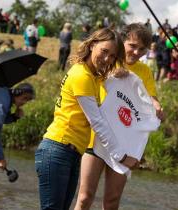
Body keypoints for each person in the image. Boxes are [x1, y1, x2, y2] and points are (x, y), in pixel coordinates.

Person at [35, 28, 127, 210]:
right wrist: (121, 155)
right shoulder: (82, 75)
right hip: (57, 149)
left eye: (113, 56)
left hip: (72, 152)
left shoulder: (91, 76)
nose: (108, 59)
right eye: (104, 51)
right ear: (92, 45)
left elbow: (106, 84)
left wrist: (118, 74)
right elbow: (97, 121)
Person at [75, 23, 164, 210]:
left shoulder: (145, 70)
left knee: (112, 201)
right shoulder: (107, 59)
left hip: (125, 143)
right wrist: (112, 73)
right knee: (84, 197)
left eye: (142, 49)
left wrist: (157, 107)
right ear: (122, 41)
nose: (136, 52)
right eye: (132, 45)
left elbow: (150, 98)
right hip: (96, 139)